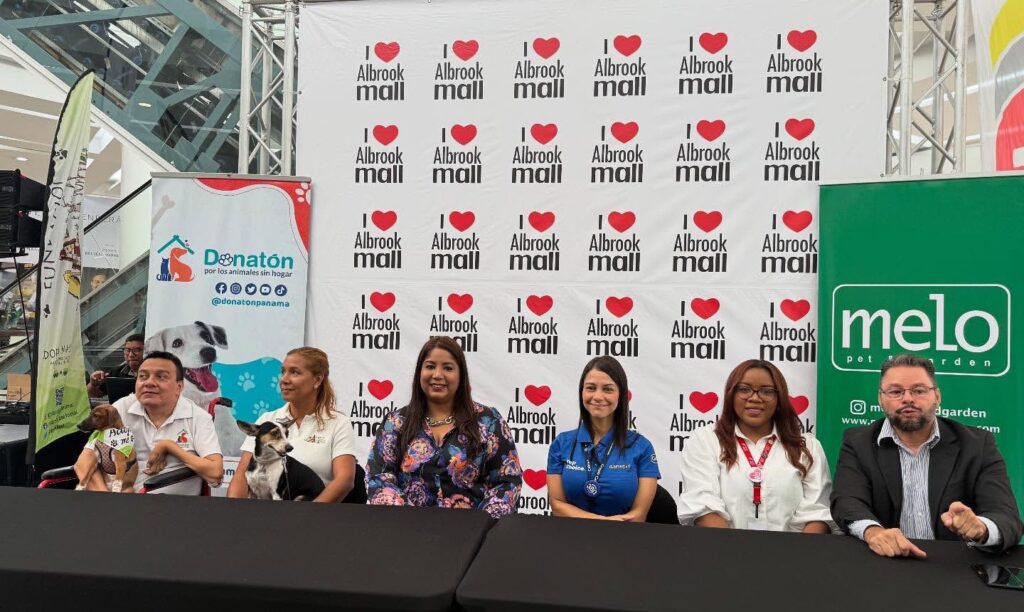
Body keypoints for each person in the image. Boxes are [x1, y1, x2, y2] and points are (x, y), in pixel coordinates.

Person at [831, 354, 1022, 557]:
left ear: (937, 396)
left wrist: (980, 529)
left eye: (919, 390)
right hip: (885, 560)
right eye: (896, 391)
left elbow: (1006, 516)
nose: (908, 399)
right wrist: (874, 532)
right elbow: (847, 501)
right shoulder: (859, 442)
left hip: (955, 564)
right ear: (880, 399)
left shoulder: (977, 444)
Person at [365, 336, 523, 518]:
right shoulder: (396, 422)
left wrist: (479, 524)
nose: (437, 375)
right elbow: (379, 479)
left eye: (448, 368)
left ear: (461, 375)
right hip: (407, 529)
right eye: (430, 366)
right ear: (420, 372)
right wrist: (412, 522)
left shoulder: (488, 421)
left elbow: (507, 482)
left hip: (473, 531)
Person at [678, 360, 833, 533]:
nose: (755, 398)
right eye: (744, 389)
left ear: (779, 398)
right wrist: (733, 548)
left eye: (767, 391)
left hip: (793, 548)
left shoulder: (807, 446)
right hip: (723, 546)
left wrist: (796, 551)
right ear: (731, 394)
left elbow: (817, 512)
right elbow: (703, 506)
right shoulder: (706, 440)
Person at [74, 351, 223, 494]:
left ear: (179, 387)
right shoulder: (121, 408)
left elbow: (215, 473)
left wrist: (170, 447)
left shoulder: (197, 417)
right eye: (143, 376)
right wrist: (108, 499)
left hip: (169, 506)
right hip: (116, 500)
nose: (149, 382)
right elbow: (83, 462)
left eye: (161, 377)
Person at [228, 347, 357, 502]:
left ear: (317, 380)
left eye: (295, 372)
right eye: (283, 372)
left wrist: (308, 514)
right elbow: (242, 476)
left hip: (312, 512)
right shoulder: (267, 419)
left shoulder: (338, 423)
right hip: (264, 514)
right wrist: (233, 511)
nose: (284, 379)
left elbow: (344, 480)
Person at [546, 356, 660, 521]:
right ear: (582, 392)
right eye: (591, 388)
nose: (598, 396)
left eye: (607, 389)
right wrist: (601, 522)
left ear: (621, 394)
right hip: (570, 534)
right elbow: (557, 506)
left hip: (623, 534)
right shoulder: (561, 444)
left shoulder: (642, 447)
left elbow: (638, 516)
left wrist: (606, 528)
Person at [87, 333, 144, 398]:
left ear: (146, 350)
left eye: (136, 350)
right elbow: (94, 395)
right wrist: (93, 384)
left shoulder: (153, 372)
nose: (131, 355)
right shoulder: (117, 372)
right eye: (127, 350)